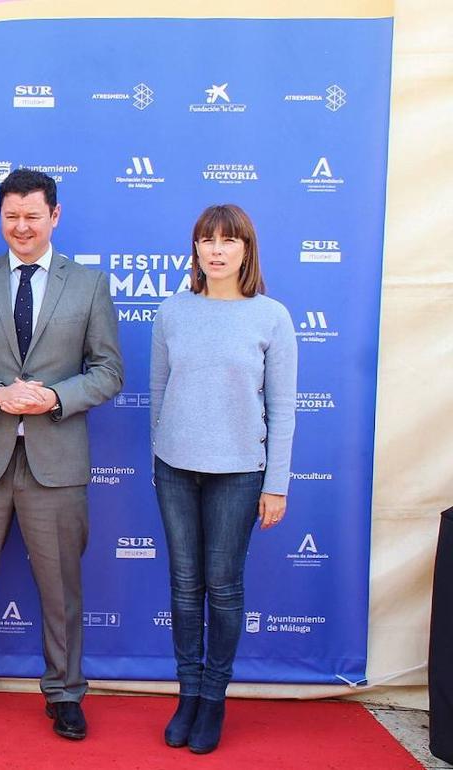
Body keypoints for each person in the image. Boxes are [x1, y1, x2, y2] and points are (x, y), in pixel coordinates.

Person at [0, 169, 122, 739]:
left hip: (55, 462)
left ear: (54, 216)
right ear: (1, 217)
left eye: (32, 216)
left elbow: (110, 371)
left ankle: (64, 692)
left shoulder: (88, 285)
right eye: (11, 216)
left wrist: (54, 398)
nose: (21, 226)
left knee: (62, 587)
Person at [149, 204, 297, 754]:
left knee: (223, 585)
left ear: (246, 250)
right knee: (184, 587)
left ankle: (213, 697)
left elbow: (283, 410)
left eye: (228, 240)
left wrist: (275, 483)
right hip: (175, 470)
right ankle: (187, 693)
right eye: (206, 239)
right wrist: (158, 458)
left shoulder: (271, 317)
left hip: (239, 473)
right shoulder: (173, 312)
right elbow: (158, 397)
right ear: (195, 249)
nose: (216, 249)